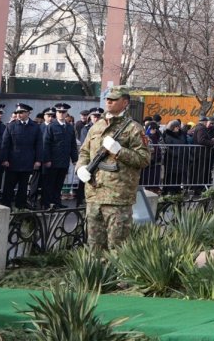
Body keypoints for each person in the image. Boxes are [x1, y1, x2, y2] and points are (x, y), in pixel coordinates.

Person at [75, 86, 151, 252]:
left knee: (117, 248)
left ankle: (117, 278)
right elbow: (84, 152)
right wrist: (80, 167)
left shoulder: (134, 128)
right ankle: (97, 277)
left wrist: (119, 151)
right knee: (94, 246)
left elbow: (144, 159)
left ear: (125, 102)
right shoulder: (96, 126)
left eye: (114, 99)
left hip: (118, 197)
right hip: (94, 194)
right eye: (108, 98)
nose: (109, 101)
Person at [0, 103, 42, 209]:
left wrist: (38, 160)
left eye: (21, 112)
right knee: (9, 186)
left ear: (28, 113)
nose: (19, 115)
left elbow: (39, 145)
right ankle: (6, 205)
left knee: (23, 186)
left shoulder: (35, 127)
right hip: (13, 161)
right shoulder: (11, 125)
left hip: (27, 161)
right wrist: (4, 159)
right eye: (17, 112)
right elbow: (5, 144)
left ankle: (21, 205)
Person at [38, 103, 77, 209]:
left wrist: (74, 159)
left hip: (64, 160)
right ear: (56, 113)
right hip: (53, 160)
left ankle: (56, 202)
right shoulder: (51, 126)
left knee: (59, 183)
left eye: (63, 112)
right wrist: (47, 159)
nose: (61, 114)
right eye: (59, 112)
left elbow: (72, 144)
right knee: (49, 183)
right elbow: (46, 144)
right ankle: (46, 203)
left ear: (66, 114)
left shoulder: (69, 127)